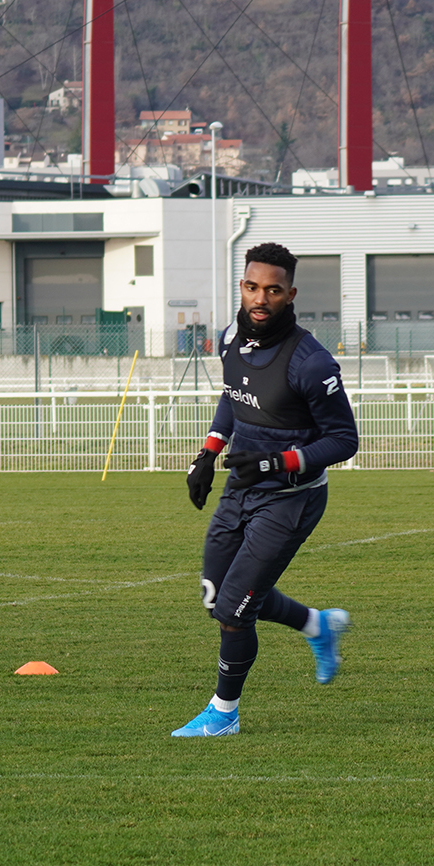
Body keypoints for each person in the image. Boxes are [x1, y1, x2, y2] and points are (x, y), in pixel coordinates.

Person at [171, 242, 359, 737]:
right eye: (252, 287)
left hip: (291, 498)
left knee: (234, 610)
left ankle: (224, 714)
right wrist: (208, 453)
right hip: (241, 486)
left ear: (290, 294)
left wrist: (280, 460)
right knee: (217, 600)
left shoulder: (313, 364)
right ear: (242, 286)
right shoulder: (233, 335)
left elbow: (345, 440)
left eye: (272, 290)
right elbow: (234, 395)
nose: (260, 298)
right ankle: (317, 626)